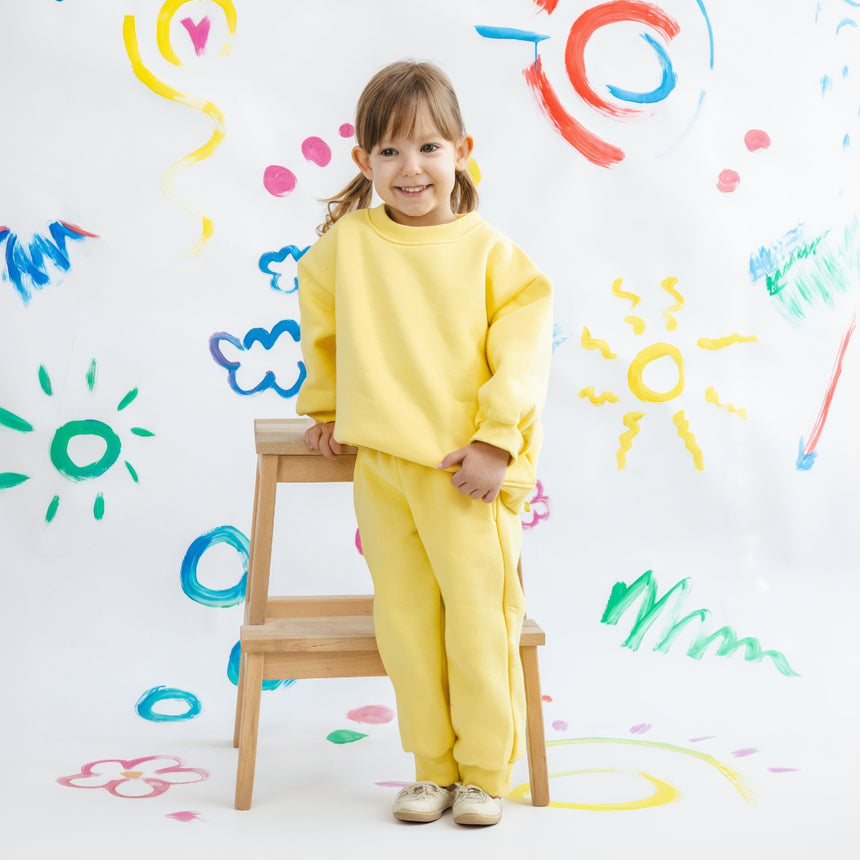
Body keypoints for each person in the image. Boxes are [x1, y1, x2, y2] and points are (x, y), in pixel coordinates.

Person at [296, 59, 552, 827]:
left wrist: (497, 442)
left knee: (477, 620)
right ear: (363, 161)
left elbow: (525, 353)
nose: (411, 169)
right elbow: (322, 321)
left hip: (462, 473)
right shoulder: (348, 245)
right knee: (405, 625)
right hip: (383, 468)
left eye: (430, 148)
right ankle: (432, 767)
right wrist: (329, 406)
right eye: (391, 152)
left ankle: (483, 770)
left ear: (463, 151)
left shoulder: (491, 255)